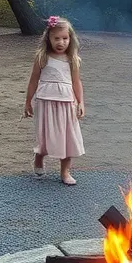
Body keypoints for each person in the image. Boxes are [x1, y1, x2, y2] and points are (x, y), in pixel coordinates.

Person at [24, 15, 84, 186]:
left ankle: (65, 172)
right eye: (56, 38)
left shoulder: (73, 59)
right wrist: (28, 102)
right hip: (45, 101)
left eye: (65, 38)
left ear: (70, 39)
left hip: (66, 102)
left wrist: (81, 103)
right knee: (45, 135)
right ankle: (39, 156)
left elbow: (76, 82)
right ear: (48, 38)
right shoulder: (42, 57)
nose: (61, 42)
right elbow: (34, 80)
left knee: (68, 137)